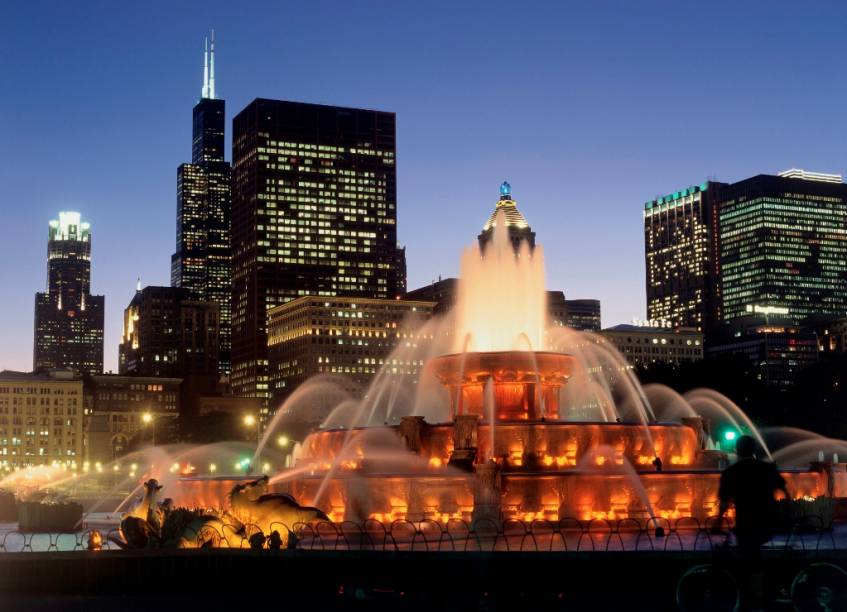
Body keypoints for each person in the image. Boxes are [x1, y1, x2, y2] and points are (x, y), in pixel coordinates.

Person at [718, 435, 789, 553]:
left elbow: (724, 502)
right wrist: (786, 512)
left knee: (748, 557)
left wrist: (718, 521)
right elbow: (785, 491)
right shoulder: (767, 468)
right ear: (754, 450)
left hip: (745, 524)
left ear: (737, 450)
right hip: (768, 524)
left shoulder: (731, 472)